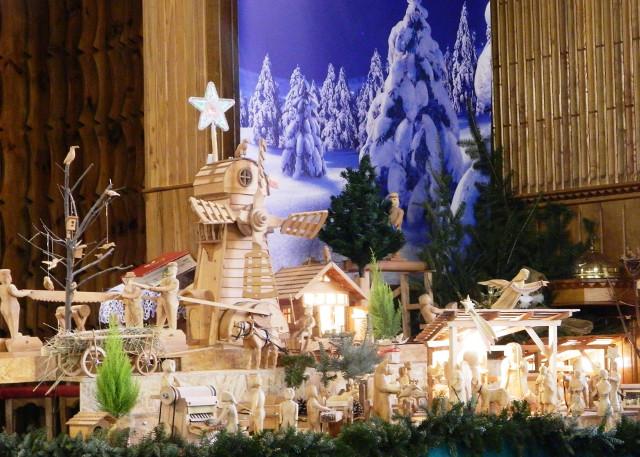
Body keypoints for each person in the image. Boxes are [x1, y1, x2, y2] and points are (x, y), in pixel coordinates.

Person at [137, 262, 180, 329]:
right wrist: (150, 288)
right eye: (171, 269)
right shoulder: (163, 281)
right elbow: (160, 290)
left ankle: (172, 332)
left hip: (171, 301)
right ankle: (158, 332)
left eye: (174, 269)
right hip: (162, 300)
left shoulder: (175, 281)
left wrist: (153, 288)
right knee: (159, 321)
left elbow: (167, 288)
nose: (173, 271)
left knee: (171, 321)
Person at [0, 269, 29, 339]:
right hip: (12, 306)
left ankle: (13, 334)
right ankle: (15, 336)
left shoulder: (0, 287)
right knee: (14, 321)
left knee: (9, 322)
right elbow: (17, 294)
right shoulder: (10, 286)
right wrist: (27, 293)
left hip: (3, 306)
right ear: (8, 277)